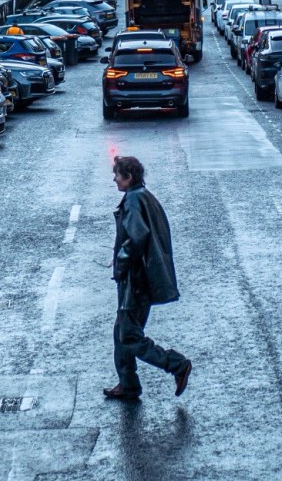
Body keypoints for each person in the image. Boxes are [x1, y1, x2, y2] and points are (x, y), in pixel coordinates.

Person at [104, 156, 192, 401]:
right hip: (143, 278)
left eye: (117, 175)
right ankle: (128, 384)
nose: (114, 179)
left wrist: (121, 261)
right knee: (121, 331)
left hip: (136, 281)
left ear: (129, 177)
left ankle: (176, 364)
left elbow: (138, 237)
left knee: (129, 335)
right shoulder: (143, 195)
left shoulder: (133, 199)